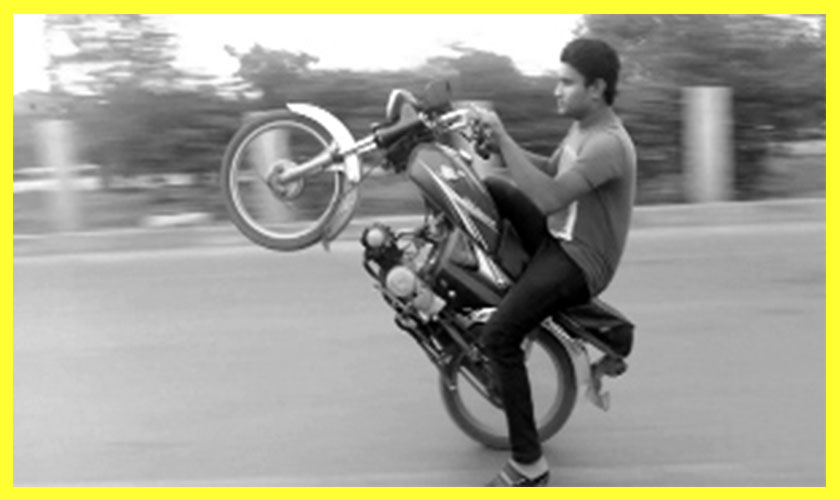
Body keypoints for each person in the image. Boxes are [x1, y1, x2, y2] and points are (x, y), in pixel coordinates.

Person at [469, 38, 637, 487]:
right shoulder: (582, 129)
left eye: (566, 83)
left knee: (499, 336)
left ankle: (529, 465)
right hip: (558, 239)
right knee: (493, 188)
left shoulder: (609, 144)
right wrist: (499, 148)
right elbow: (550, 171)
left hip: (580, 262)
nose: (556, 91)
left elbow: (548, 198)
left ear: (596, 88)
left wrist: (505, 138)